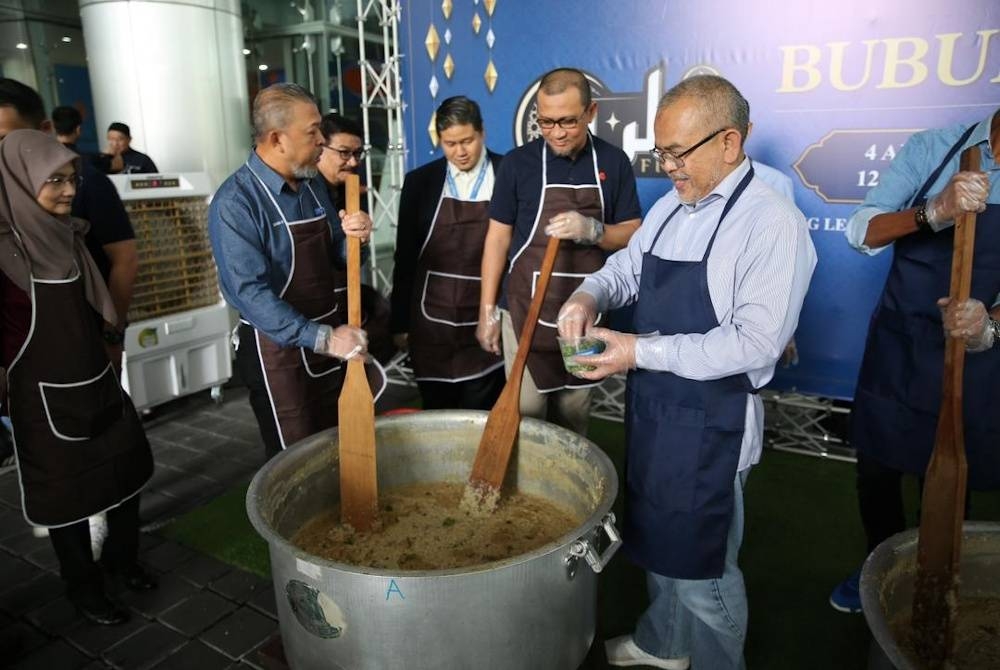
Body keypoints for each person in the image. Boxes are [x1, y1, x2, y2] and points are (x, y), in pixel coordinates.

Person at [558, 75, 816, 669]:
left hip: (713, 431)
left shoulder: (771, 223)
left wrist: (634, 351)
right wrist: (588, 295)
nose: (668, 167)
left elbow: (755, 344)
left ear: (729, 141)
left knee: (704, 572)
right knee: (656, 546)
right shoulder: (676, 204)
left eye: (679, 153)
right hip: (656, 413)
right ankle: (663, 644)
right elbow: (630, 266)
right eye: (662, 153)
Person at [831, 108, 1000, 613]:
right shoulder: (937, 149)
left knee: (951, 478)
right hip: (902, 344)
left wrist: (989, 324)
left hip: (978, 351)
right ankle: (877, 572)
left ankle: (935, 582)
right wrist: (935, 211)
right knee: (877, 471)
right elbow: (861, 231)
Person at [0, 130, 156, 626]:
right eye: (54, 182)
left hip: (97, 380)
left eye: (72, 179)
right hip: (42, 400)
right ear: (20, 184)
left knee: (126, 473)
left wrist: (113, 343)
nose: (69, 191)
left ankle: (122, 560)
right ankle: (83, 589)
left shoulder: (70, 236)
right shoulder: (5, 255)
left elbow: (96, 309)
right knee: (68, 501)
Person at [208, 83, 373, 461]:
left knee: (339, 450)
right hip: (277, 353)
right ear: (277, 139)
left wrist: (355, 241)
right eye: (313, 131)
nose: (321, 141)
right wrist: (325, 339)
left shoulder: (313, 188)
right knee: (296, 464)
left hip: (328, 342)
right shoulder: (235, 203)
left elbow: (338, 260)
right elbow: (250, 295)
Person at [477, 68, 641, 435]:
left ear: (591, 113)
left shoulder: (613, 163)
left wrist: (592, 230)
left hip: (585, 314)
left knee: (575, 411)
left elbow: (634, 234)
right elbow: (497, 239)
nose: (556, 132)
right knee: (527, 414)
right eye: (546, 122)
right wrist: (486, 310)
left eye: (568, 121)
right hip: (523, 310)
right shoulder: (518, 164)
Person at [390, 96, 505, 410]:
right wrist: (400, 321)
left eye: (467, 140)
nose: (460, 151)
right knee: (437, 409)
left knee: (484, 410)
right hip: (430, 318)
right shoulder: (420, 183)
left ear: (482, 132)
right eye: (450, 143)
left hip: (487, 310)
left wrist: (498, 313)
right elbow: (406, 255)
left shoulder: (507, 173)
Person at [48, 103, 138, 359]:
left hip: (89, 329)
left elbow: (126, 260)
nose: (68, 191)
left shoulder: (93, 174)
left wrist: (112, 330)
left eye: (70, 180)